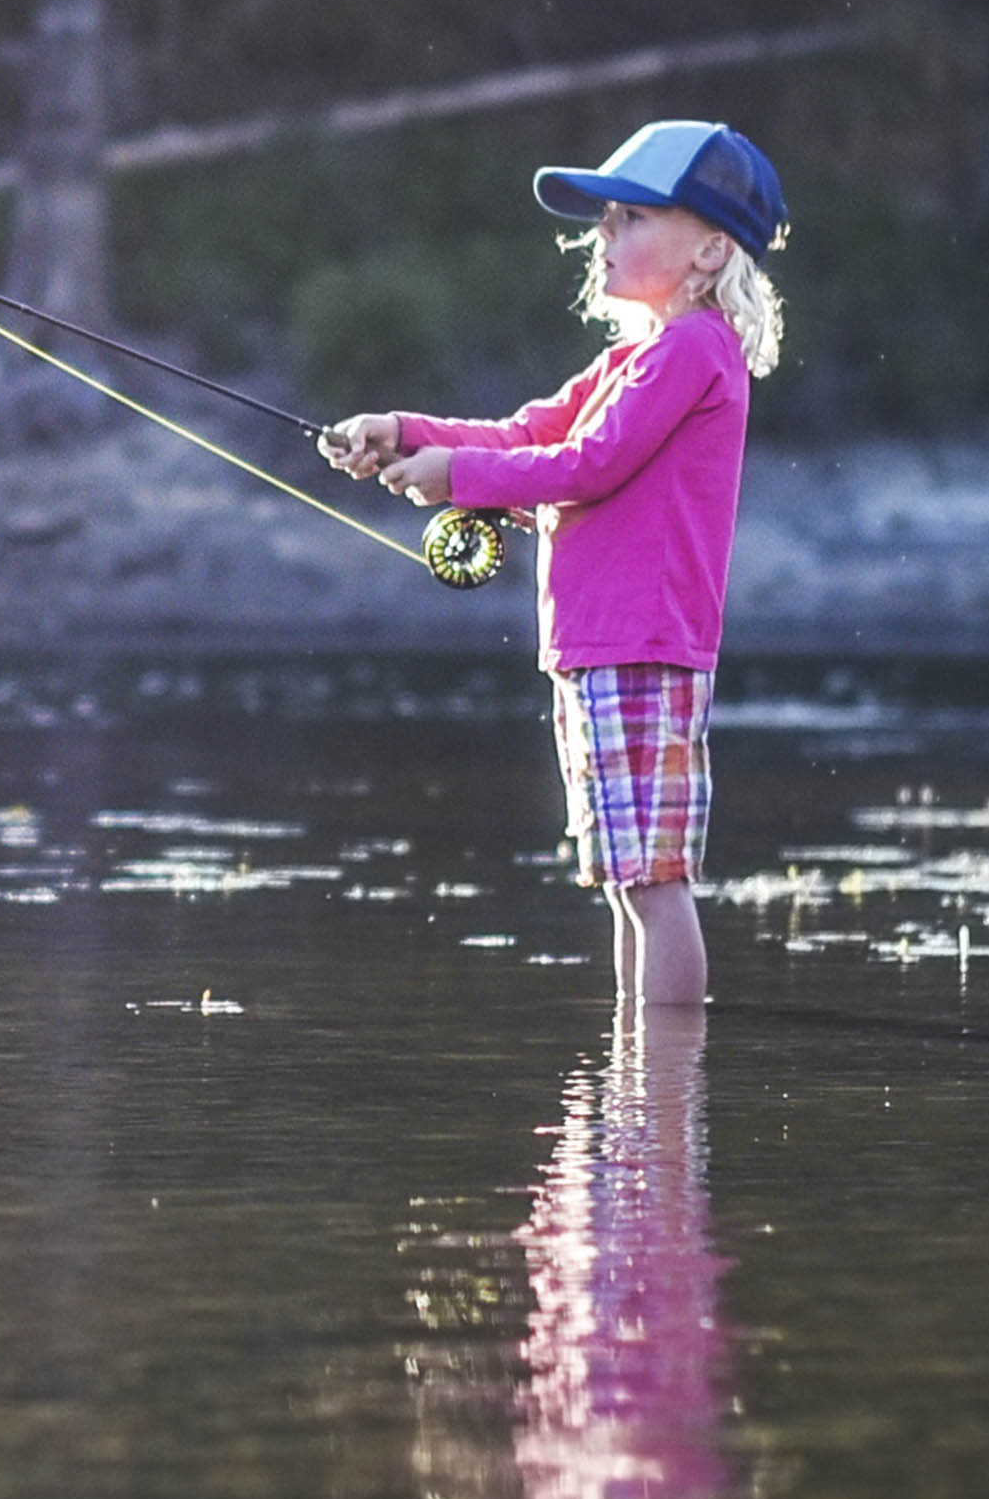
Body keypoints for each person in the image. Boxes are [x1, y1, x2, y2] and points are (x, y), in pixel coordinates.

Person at [322, 121, 790, 1009]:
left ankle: (663, 1100)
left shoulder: (692, 351)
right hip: (593, 648)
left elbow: (589, 464)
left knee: (653, 884)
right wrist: (406, 433)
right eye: (603, 220)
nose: (601, 236)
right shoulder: (633, 357)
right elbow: (530, 435)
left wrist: (456, 478)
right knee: (623, 884)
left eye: (627, 218)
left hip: (642, 646)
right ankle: (635, 1089)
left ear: (709, 250)